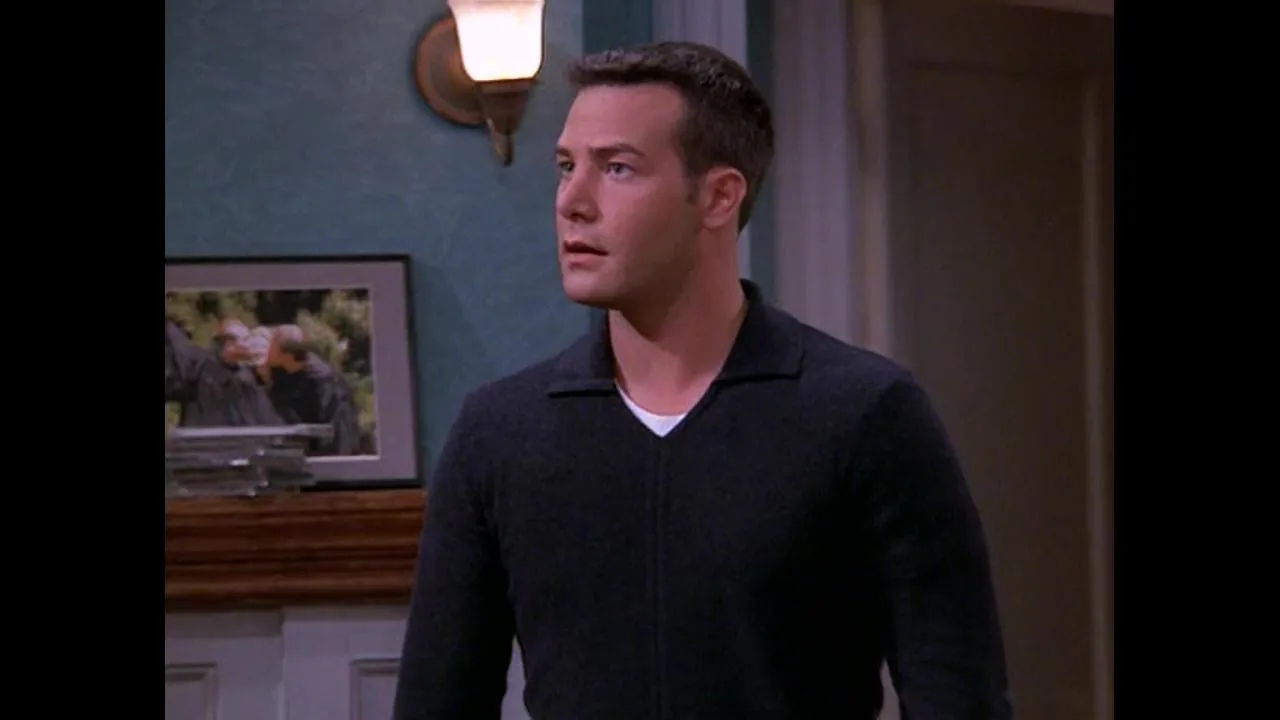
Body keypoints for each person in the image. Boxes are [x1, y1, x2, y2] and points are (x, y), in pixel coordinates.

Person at [393, 41, 1012, 719]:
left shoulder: (863, 414)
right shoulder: (501, 433)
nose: (572, 201)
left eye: (617, 168)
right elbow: (436, 703)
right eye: (567, 167)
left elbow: (960, 698)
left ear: (719, 196)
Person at [165, 317, 284, 427]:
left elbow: (264, 414)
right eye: (244, 339)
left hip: (242, 438)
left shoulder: (249, 375)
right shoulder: (201, 366)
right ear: (228, 343)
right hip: (204, 437)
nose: (249, 345)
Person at [262, 324, 362, 456]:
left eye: (270, 346)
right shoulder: (281, 375)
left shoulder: (325, 382)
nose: (265, 350)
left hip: (325, 456)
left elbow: (338, 431)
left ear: (287, 355)